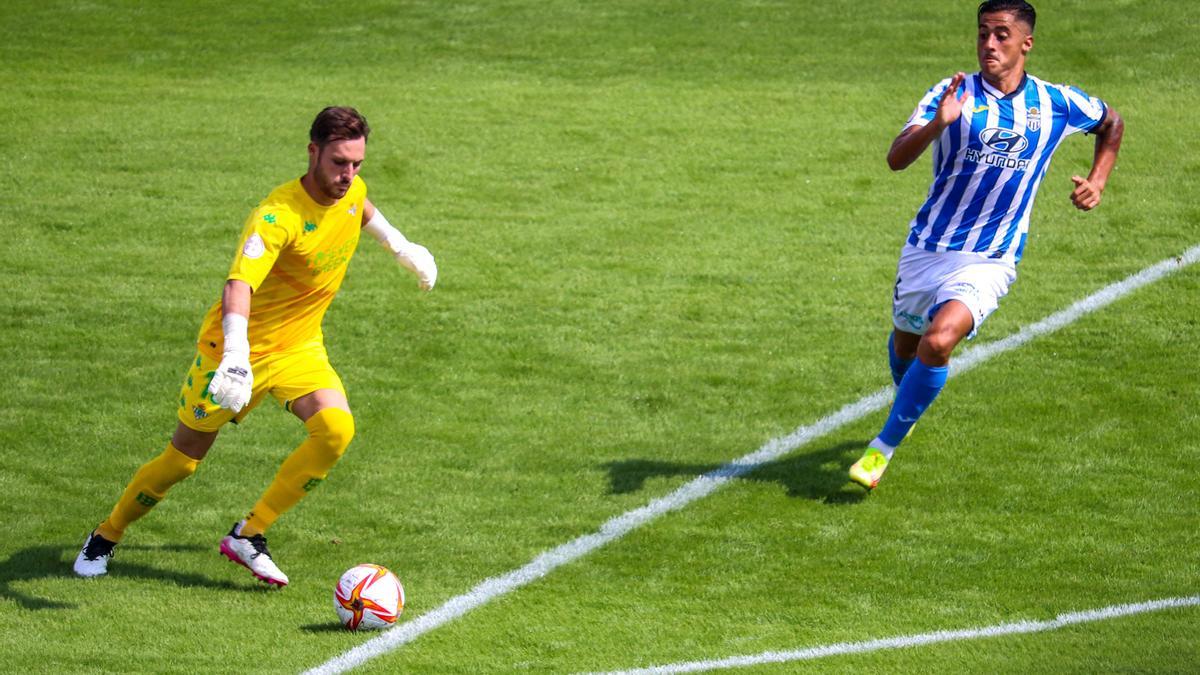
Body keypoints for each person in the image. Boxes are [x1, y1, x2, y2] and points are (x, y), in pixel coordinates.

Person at [74, 107, 439, 585]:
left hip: (299, 347)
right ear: (313, 153)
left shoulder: (352, 192)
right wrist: (235, 356)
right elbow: (238, 286)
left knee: (335, 431)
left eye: (356, 164)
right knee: (182, 462)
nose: (348, 175)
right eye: (338, 163)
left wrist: (399, 246)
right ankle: (106, 534)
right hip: (234, 353)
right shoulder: (277, 216)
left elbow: (361, 208)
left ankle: (249, 534)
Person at [849, 0, 1124, 489]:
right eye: (982, 34)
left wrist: (1098, 181)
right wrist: (939, 122)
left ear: (1026, 43)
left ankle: (881, 449)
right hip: (929, 247)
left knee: (938, 341)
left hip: (992, 257)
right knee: (906, 347)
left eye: (1000, 35)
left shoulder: (1055, 102)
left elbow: (1110, 123)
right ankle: (908, 402)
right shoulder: (951, 92)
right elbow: (896, 158)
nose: (988, 44)